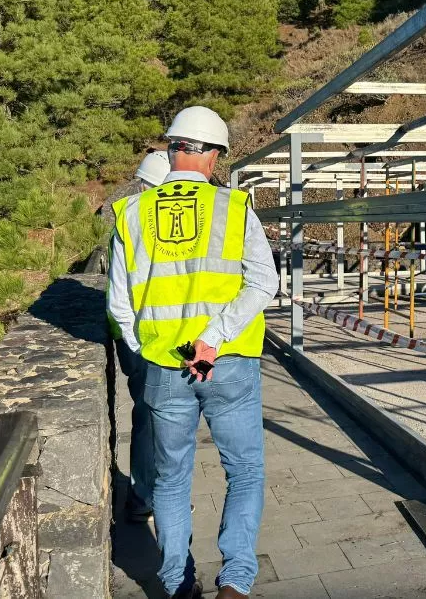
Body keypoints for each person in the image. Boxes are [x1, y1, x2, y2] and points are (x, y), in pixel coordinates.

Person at [108, 106, 279, 599]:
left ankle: (177, 583)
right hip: (228, 363)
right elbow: (263, 283)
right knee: (244, 471)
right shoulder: (234, 208)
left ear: (172, 149)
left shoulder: (131, 214)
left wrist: (152, 351)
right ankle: (236, 582)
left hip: (164, 366)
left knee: (170, 478)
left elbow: (120, 307)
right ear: (211, 155)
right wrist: (215, 336)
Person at [110, 150, 170, 523]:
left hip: (135, 334)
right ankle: (147, 496)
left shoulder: (130, 217)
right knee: (152, 417)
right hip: (145, 337)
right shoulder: (146, 221)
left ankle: (151, 494)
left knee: (150, 414)